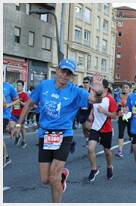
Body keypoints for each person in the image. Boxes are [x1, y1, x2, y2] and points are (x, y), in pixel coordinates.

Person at [13, 59, 103, 203]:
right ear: (57, 70)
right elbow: (29, 103)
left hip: (63, 135)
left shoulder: (75, 91)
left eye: (69, 73)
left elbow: (95, 100)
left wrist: (99, 91)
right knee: (45, 179)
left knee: (53, 177)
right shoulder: (44, 85)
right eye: (63, 71)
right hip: (45, 134)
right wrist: (18, 125)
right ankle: (62, 176)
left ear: (72, 77)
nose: (65, 75)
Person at [87, 79, 117, 182]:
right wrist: (91, 114)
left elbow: (114, 116)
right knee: (90, 148)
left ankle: (109, 166)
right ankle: (94, 169)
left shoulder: (110, 100)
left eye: (98, 86)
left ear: (105, 88)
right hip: (95, 127)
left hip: (106, 129)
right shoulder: (95, 97)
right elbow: (93, 106)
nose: (95, 88)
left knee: (107, 151)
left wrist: (104, 112)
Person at [3, 80, 18, 167]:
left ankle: (4, 158)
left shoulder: (9, 87)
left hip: (4, 115)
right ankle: (7, 157)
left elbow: (16, 100)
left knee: (21, 125)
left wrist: (15, 114)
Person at [9, 80, 29, 148]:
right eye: (17, 85)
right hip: (13, 114)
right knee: (11, 127)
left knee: (21, 128)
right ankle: (17, 136)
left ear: (23, 87)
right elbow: (12, 103)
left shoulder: (24, 94)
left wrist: (20, 102)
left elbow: (26, 104)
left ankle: (23, 140)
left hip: (21, 115)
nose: (18, 87)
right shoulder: (14, 94)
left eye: (19, 85)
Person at [115, 82, 132, 158]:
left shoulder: (132, 97)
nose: (125, 89)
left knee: (130, 133)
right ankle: (120, 151)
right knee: (120, 134)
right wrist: (119, 110)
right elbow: (117, 106)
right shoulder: (119, 96)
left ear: (130, 89)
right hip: (122, 117)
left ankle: (133, 146)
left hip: (130, 117)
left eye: (126, 87)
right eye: (124, 87)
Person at [78, 77, 93, 145]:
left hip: (89, 111)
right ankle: (87, 139)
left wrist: (91, 113)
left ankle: (94, 135)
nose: (85, 84)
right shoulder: (81, 91)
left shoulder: (92, 91)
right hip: (81, 110)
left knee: (87, 126)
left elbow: (94, 103)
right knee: (84, 127)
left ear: (89, 83)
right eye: (84, 82)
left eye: (86, 82)